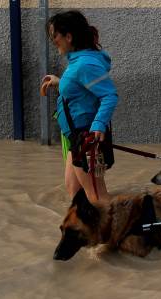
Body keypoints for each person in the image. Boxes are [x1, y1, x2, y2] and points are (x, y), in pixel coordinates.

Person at [40, 10, 119, 206]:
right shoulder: (78, 60)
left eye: (55, 35)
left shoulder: (85, 64)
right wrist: (60, 83)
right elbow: (83, 89)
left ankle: (118, 225)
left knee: (97, 198)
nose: (53, 40)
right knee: (75, 192)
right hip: (76, 137)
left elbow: (109, 95)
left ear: (69, 36)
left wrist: (98, 125)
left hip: (87, 137)